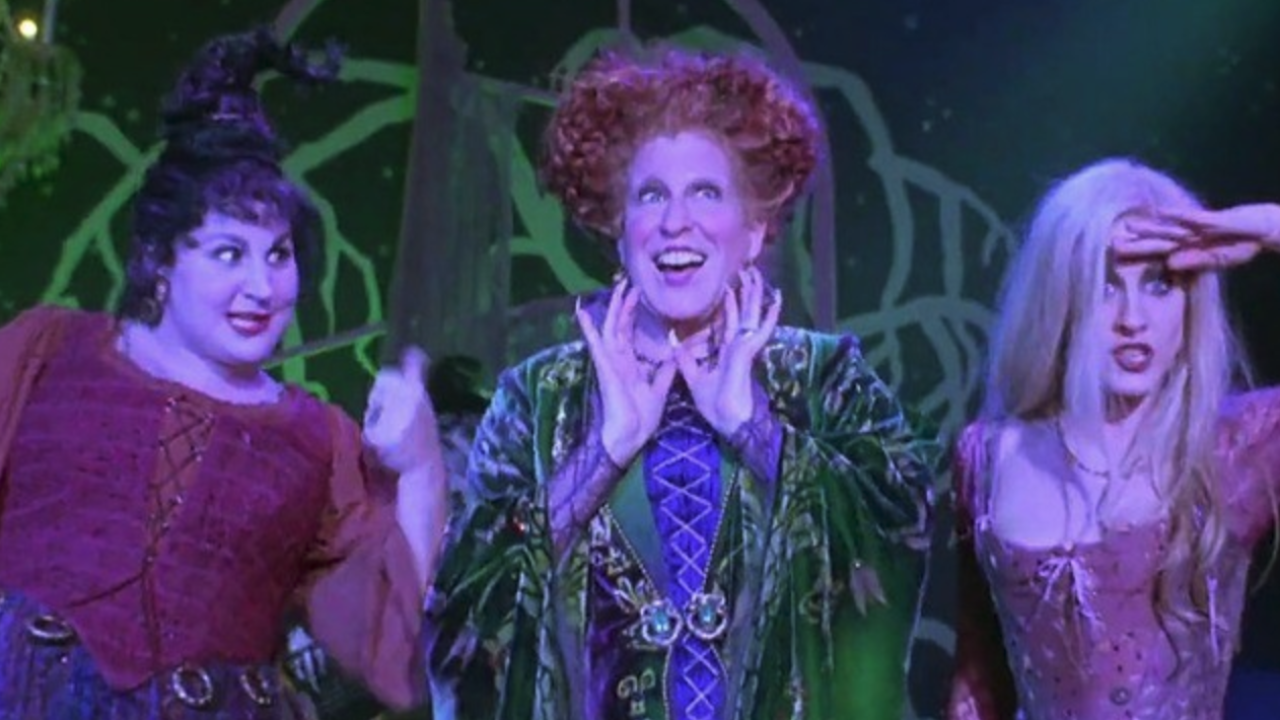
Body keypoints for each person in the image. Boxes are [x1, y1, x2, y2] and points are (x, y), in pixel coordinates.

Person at [422, 47, 937, 720]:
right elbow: (465, 606)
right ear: (618, 228)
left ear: (754, 230)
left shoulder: (824, 378)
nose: (674, 222)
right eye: (651, 195)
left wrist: (755, 430)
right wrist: (604, 451)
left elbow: (898, 534)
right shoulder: (538, 397)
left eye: (706, 192)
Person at [0, 27, 447, 718]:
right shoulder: (50, 349)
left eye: (278, 255)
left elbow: (385, 649)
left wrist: (419, 465)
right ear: (160, 259)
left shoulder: (316, 439)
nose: (263, 288)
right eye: (229, 253)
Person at [946, 157, 1280, 719]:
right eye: (1105, 285)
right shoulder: (988, 459)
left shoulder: (1237, 448)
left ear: (1191, 302)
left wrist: (1272, 227)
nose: (1133, 318)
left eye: (1160, 284)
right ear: (1061, 298)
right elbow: (976, 687)